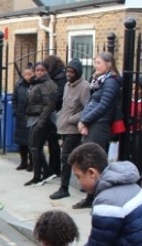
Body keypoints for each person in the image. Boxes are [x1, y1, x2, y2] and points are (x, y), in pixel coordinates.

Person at [74, 52, 122, 209]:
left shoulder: (111, 82)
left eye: (99, 62)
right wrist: (83, 121)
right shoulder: (98, 81)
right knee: (88, 160)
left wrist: (85, 120)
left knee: (94, 162)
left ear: (109, 64)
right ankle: (90, 196)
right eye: (95, 62)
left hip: (100, 124)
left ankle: (96, 197)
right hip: (92, 123)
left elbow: (103, 105)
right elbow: (90, 102)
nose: (95, 65)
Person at [50, 58, 90, 200]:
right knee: (76, 158)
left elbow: (87, 108)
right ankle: (85, 183)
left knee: (66, 158)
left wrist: (71, 119)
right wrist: (60, 116)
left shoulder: (85, 86)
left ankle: (64, 187)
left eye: (72, 72)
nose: (69, 74)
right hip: (63, 127)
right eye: (68, 71)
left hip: (73, 129)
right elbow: (65, 104)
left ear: (78, 72)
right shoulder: (67, 85)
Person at [24, 62, 57, 187]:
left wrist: (41, 123)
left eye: (42, 70)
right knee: (34, 146)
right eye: (37, 70)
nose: (39, 72)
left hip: (43, 119)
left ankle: (38, 176)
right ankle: (46, 172)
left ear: (47, 71)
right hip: (34, 117)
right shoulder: (35, 83)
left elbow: (48, 106)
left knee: (35, 147)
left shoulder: (48, 84)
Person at [43, 55, 66, 178]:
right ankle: (53, 167)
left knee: (54, 142)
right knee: (52, 142)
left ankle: (55, 168)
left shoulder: (60, 78)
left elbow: (58, 97)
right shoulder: (55, 77)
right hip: (52, 113)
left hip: (56, 114)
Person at [13, 64, 34, 171]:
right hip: (21, 117)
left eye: (29, 74)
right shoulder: (19, 85)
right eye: (25, 74)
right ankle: (23, 162)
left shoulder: (35, 85)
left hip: (31, 117)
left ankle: (32, 163)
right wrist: (15, 111)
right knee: (22, 143)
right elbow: (14, 99)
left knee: (31, 142)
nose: (27, 76)